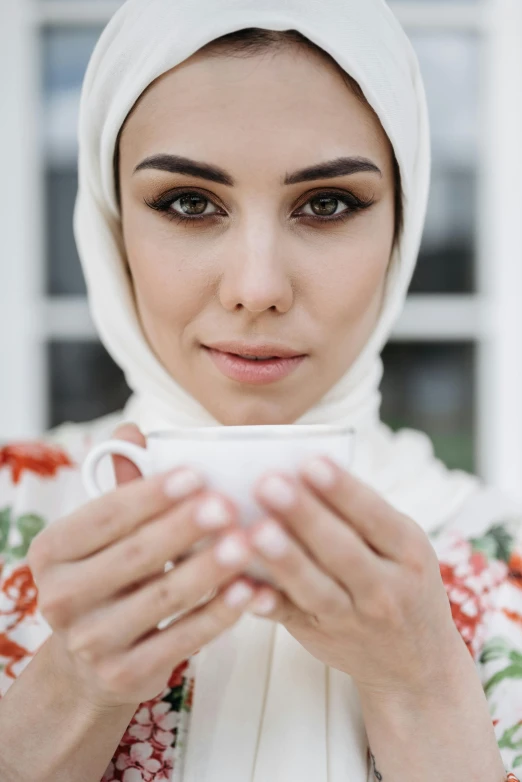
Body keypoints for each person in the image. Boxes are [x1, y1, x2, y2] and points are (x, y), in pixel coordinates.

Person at [0, 0, 521, 780]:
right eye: (188, 203)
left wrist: (422, 688)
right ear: (112, 229)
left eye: (328, 204)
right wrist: (74, 686)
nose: (257, 287)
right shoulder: (17, 509)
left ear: (401, 230)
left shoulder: (503, 561)